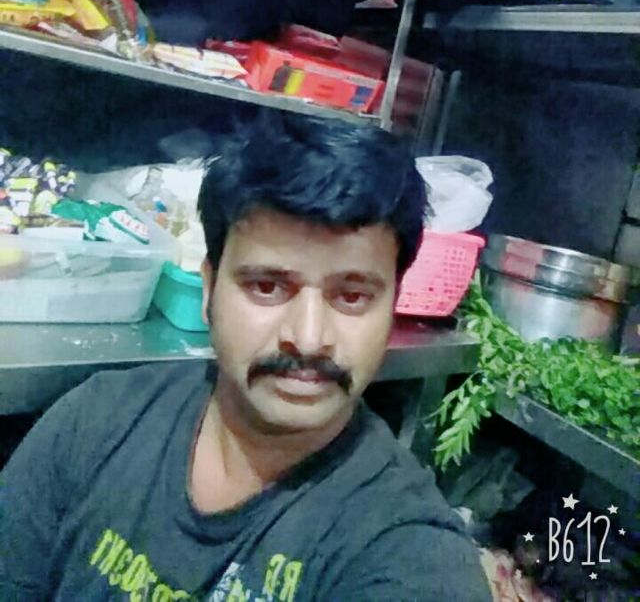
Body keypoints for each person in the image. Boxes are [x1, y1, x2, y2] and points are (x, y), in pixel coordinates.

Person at [0, 112, 491, 601]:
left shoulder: (410, 552)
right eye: (267, 287)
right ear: (208, 288)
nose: (308, 338)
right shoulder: (95, 424)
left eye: (352, 296)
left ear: (392, 306)